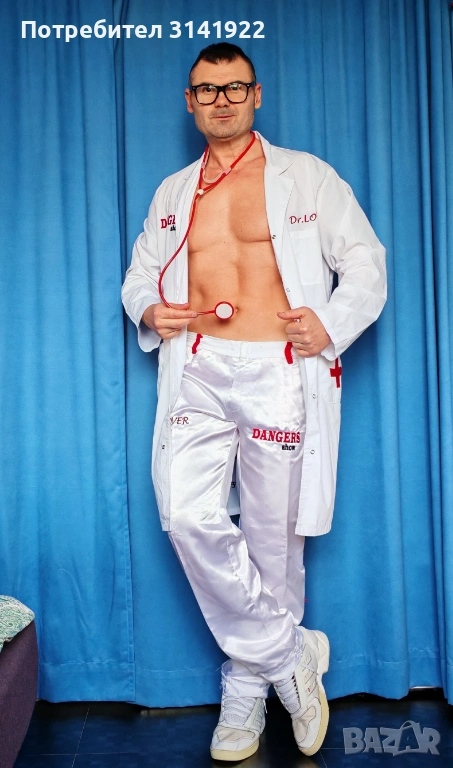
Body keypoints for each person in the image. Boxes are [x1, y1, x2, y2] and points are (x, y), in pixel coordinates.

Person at [121, 42, 387, 762]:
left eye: (234, 87)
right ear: (190, 101)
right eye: (207, 90)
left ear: (256, 94)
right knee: (186, 514)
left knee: (273, 540)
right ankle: (289, 654)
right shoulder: (173, 192)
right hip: (199, 369)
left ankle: (244, 694)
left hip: (278, 368)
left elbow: (365, 262)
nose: (222, 100)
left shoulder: (306, 177)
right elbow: (140, 274)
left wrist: (330, 322)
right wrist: (149, 309)